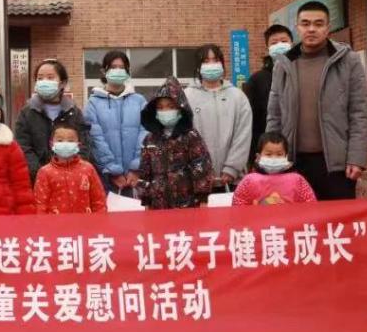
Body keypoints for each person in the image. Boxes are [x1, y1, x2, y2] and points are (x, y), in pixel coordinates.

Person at [266, 0, 367, 200]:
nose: (311, 29)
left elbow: (360, 113)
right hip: (293, 163)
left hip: (337, 165)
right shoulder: (284, 64)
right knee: (299, 219)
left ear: (328, 28)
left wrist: (357, 158)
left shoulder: (347, 60)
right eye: (305, 23)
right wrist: (271, 156)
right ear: (297, 27)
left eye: (318, 23)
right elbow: (274, 115)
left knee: (338, 219)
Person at [185, 44, 253, 196]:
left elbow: (243, 135)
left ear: (222, 63)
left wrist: (232, 168)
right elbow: (184, 136)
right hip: (197, 180)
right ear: (198, 66)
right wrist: (198, 170)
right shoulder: (187, 96)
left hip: (232, 181)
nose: (211, 65)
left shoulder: (238, 96)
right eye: (206, 61)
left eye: (215, 60)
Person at [138, 77, 213, 209]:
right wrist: (146, 200)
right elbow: (145, 171)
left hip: (187, 204)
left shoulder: (190, 136)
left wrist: (203, 198)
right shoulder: (150, 139)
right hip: (158, 205)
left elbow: (201, 166)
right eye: (160, 108)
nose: (165, 111)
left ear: (180, 108)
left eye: (171, 106)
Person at [15, 59, 92, 183]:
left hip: (71, 180)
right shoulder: (27, 113)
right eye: (40, 78)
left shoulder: (74, 112)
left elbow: (84, 145)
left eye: (50, 77)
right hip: (37, 181)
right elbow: (23, 147)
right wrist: (42, 173)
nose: (44, 81)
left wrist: (72, 171)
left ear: (62, 83)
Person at [83, 51, 147, 197]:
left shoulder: (139, 101)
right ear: (104, 71)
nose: (118, 71)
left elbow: (146, 133)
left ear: (128, 71)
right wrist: (112, 170)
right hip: (106, 179)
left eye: (122, 67)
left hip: (136, 179)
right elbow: (95, 139)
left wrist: (136, 167)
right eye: (113, 67)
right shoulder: (93, 104)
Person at [243, 24, 294, 165]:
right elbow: (250, 122)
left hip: (299, 149)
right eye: (274, 43)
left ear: (292, 43)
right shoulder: (256, 80)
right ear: (267, 48)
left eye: (284, 41)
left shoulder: (302, 72)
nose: (280, 45)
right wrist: (255, 156)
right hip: (270, 154)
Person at [33, 124, 108, 215]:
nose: (65, 144)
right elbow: (40, 204)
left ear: (78, 145)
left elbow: (99, 201)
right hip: (55, 223)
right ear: (51, 143)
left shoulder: (88, 169)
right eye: (60, 140)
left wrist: (100, 221)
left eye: (70, 140)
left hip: (84, 222)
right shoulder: (45, 172)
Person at [232, 132, 317, 205]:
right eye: (268, 154)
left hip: (290, 219)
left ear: (286, 157)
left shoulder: (297, 180)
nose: (274, 158)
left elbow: (310, 205)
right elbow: (238, 206)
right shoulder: (249, 181)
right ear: (258, 157)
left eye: (279, 154)